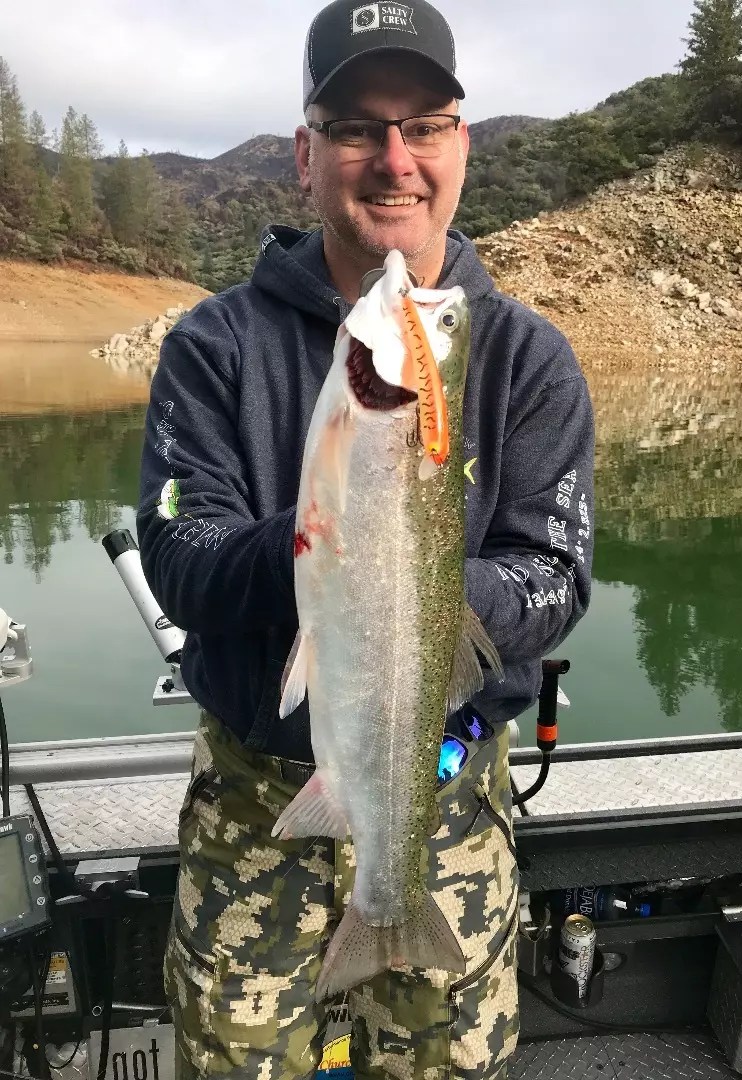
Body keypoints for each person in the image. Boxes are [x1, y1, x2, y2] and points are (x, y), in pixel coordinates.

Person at [137, 0, 594, 1076]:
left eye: (424, 125)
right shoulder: (212, 346)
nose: (395, 159)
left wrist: (407, 581)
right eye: (355, 127)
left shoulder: (529, 359)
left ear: (460, 148)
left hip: (450, 797)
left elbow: (556, 578)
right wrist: (311, 552)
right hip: (259, 804)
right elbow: (178, 556)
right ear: (306, 155)